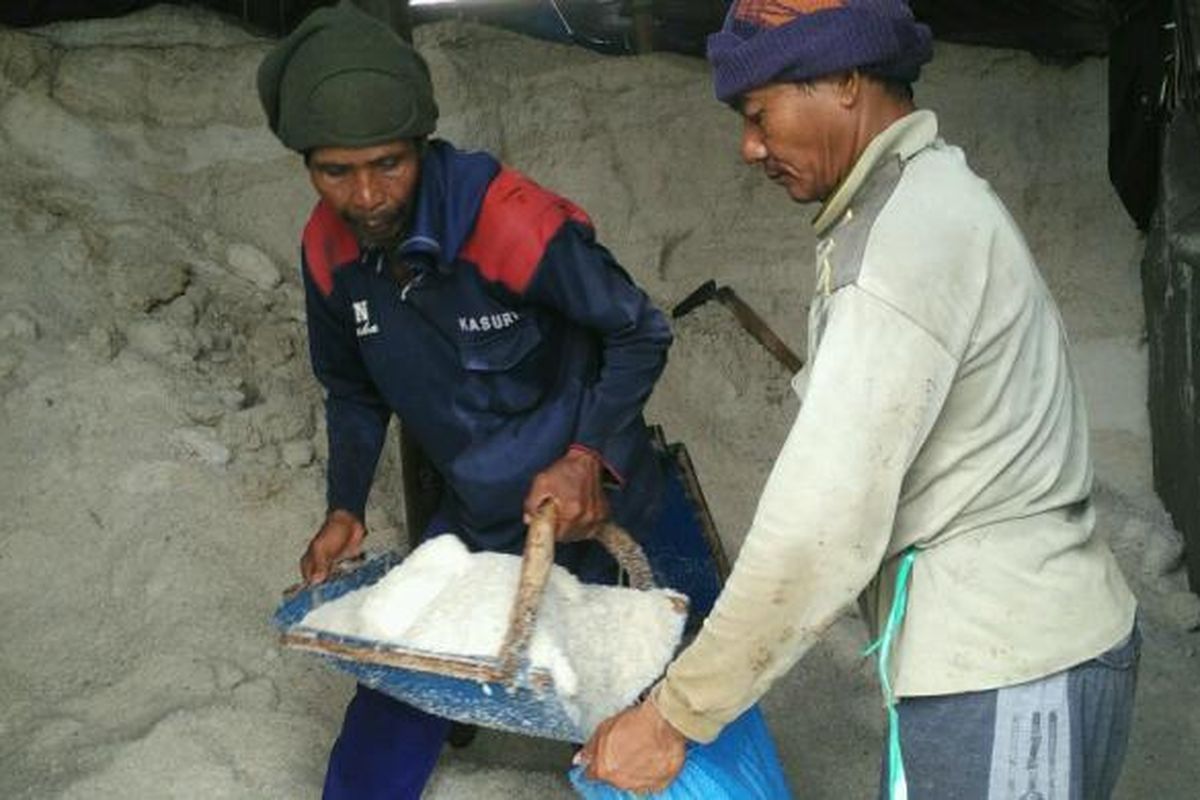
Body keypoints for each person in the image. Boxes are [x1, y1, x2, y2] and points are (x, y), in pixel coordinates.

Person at [581, 2, 1141, 798]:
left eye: (757, 113)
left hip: (1008, 670)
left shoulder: (900, 244)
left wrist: (675, 715)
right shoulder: (918, 197)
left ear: (844, 80)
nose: (748, 148)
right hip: (1010, 660)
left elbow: (820, 526)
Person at [256, 3, 720, 797]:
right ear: (306, 163)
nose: (366, 195)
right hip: (478, 521)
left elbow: (639, 330)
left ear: (422, 145)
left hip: (609, 505)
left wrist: (584, 459)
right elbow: (353, 390)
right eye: (336, 171)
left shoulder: (511, 223)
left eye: (388, 165)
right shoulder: (327, 249)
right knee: (387, 717)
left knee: (675, 724)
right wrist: (344, 508)